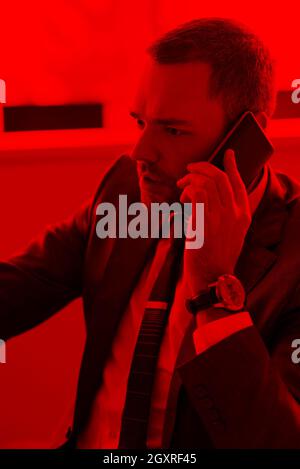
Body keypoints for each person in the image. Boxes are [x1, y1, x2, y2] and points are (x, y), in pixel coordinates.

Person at [2, 17, 300, 449]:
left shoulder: (292, 252)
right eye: (141, 122)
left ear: (244, 136)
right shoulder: (126, 192)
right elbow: (15, 290)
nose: (140, 153)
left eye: (173, 130)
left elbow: (279, 439)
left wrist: (215, 290)